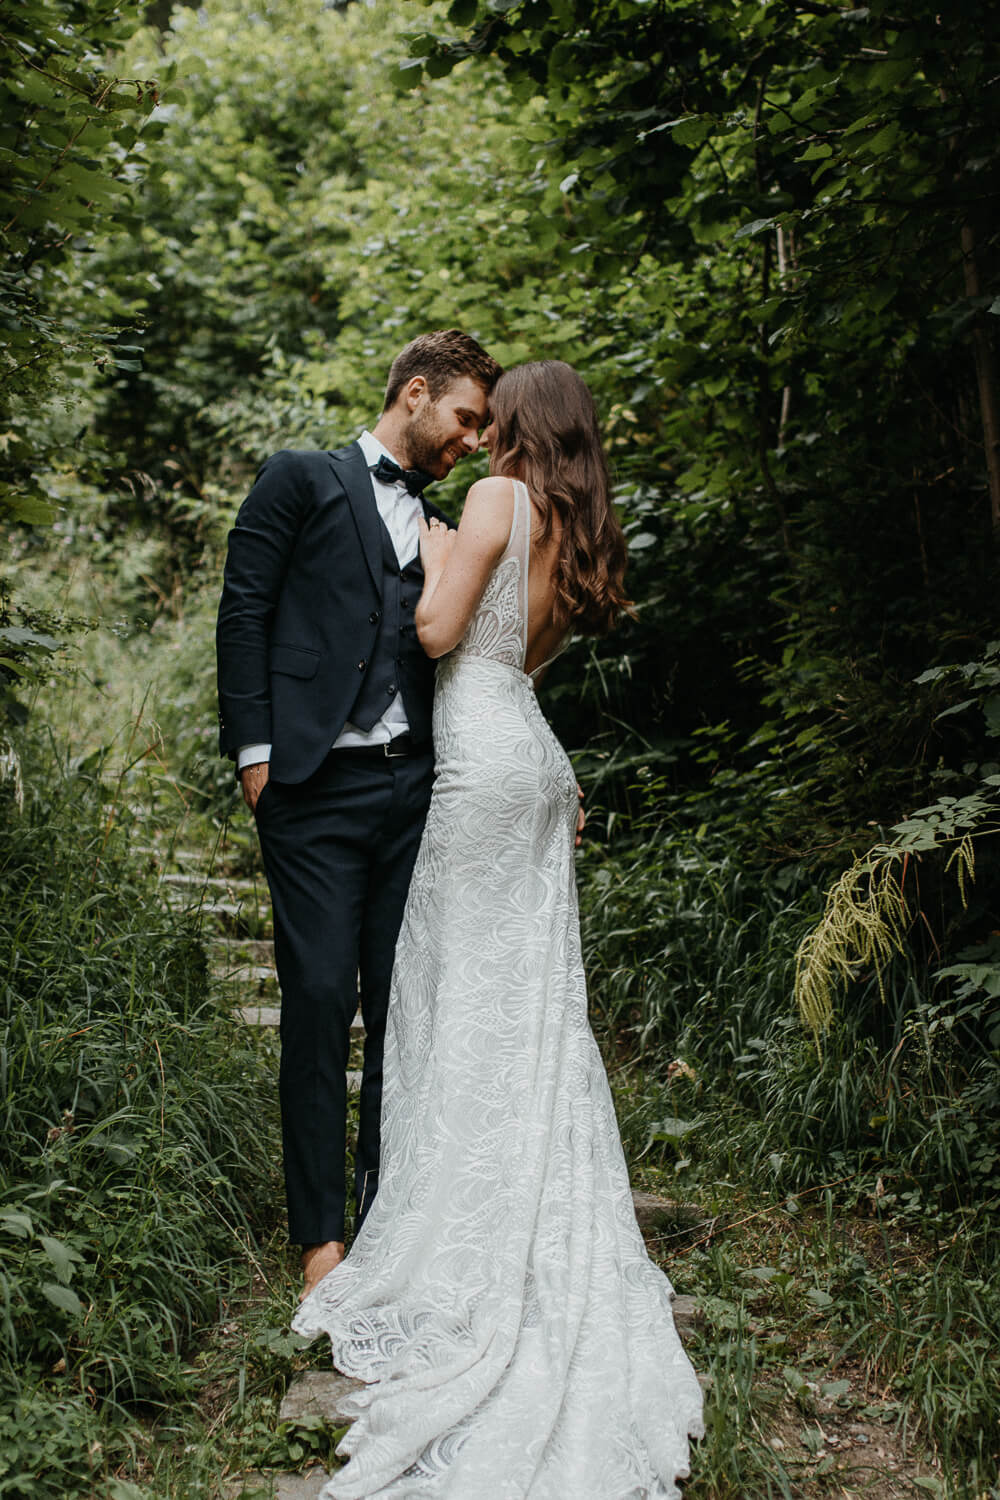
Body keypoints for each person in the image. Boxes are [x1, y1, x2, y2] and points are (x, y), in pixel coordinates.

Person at [293, 361, 704, 1498]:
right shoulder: (579, 532)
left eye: (491, 421)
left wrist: (425, 550)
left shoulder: (495, 502)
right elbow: (518, 662)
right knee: (525, 998)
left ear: (519, 424)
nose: (476, 439)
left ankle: (452, 1226)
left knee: (451, 991)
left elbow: (434, 635)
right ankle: (519, 1192)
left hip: (474, 766)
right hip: (535, 762)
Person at [216, 330, 503, 1298]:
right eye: (464, 418)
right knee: (317, 1002)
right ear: (413, 394)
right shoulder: (299, 479)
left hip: (409, 791)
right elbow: (244, 611)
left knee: (400, 1008)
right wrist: (256, 761)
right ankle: (320, 1242)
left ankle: (384, 1224)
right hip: (310, 790)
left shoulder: (443, 520)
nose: (471, 439)